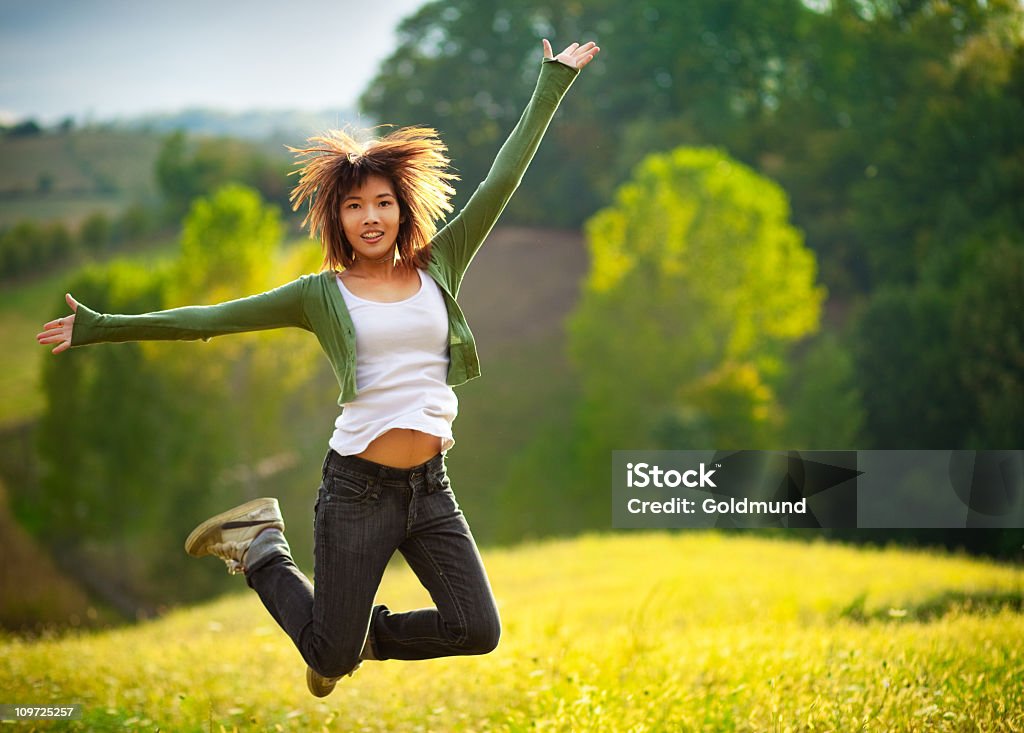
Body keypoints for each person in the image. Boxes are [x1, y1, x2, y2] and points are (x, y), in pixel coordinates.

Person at [36, 39, 599, 698]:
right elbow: (209, 319)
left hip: (430, 488)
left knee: (474, 628)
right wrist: (100, 327)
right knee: (328, 658)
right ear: (337, 215)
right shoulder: (318, 295)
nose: (370, 217)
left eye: (382, 203)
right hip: (356, 491)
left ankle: (353, 635)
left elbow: (501, 178)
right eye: (355, 205)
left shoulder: (438, 265)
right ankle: (259, 548)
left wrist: (552, 81)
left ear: (402, 208)